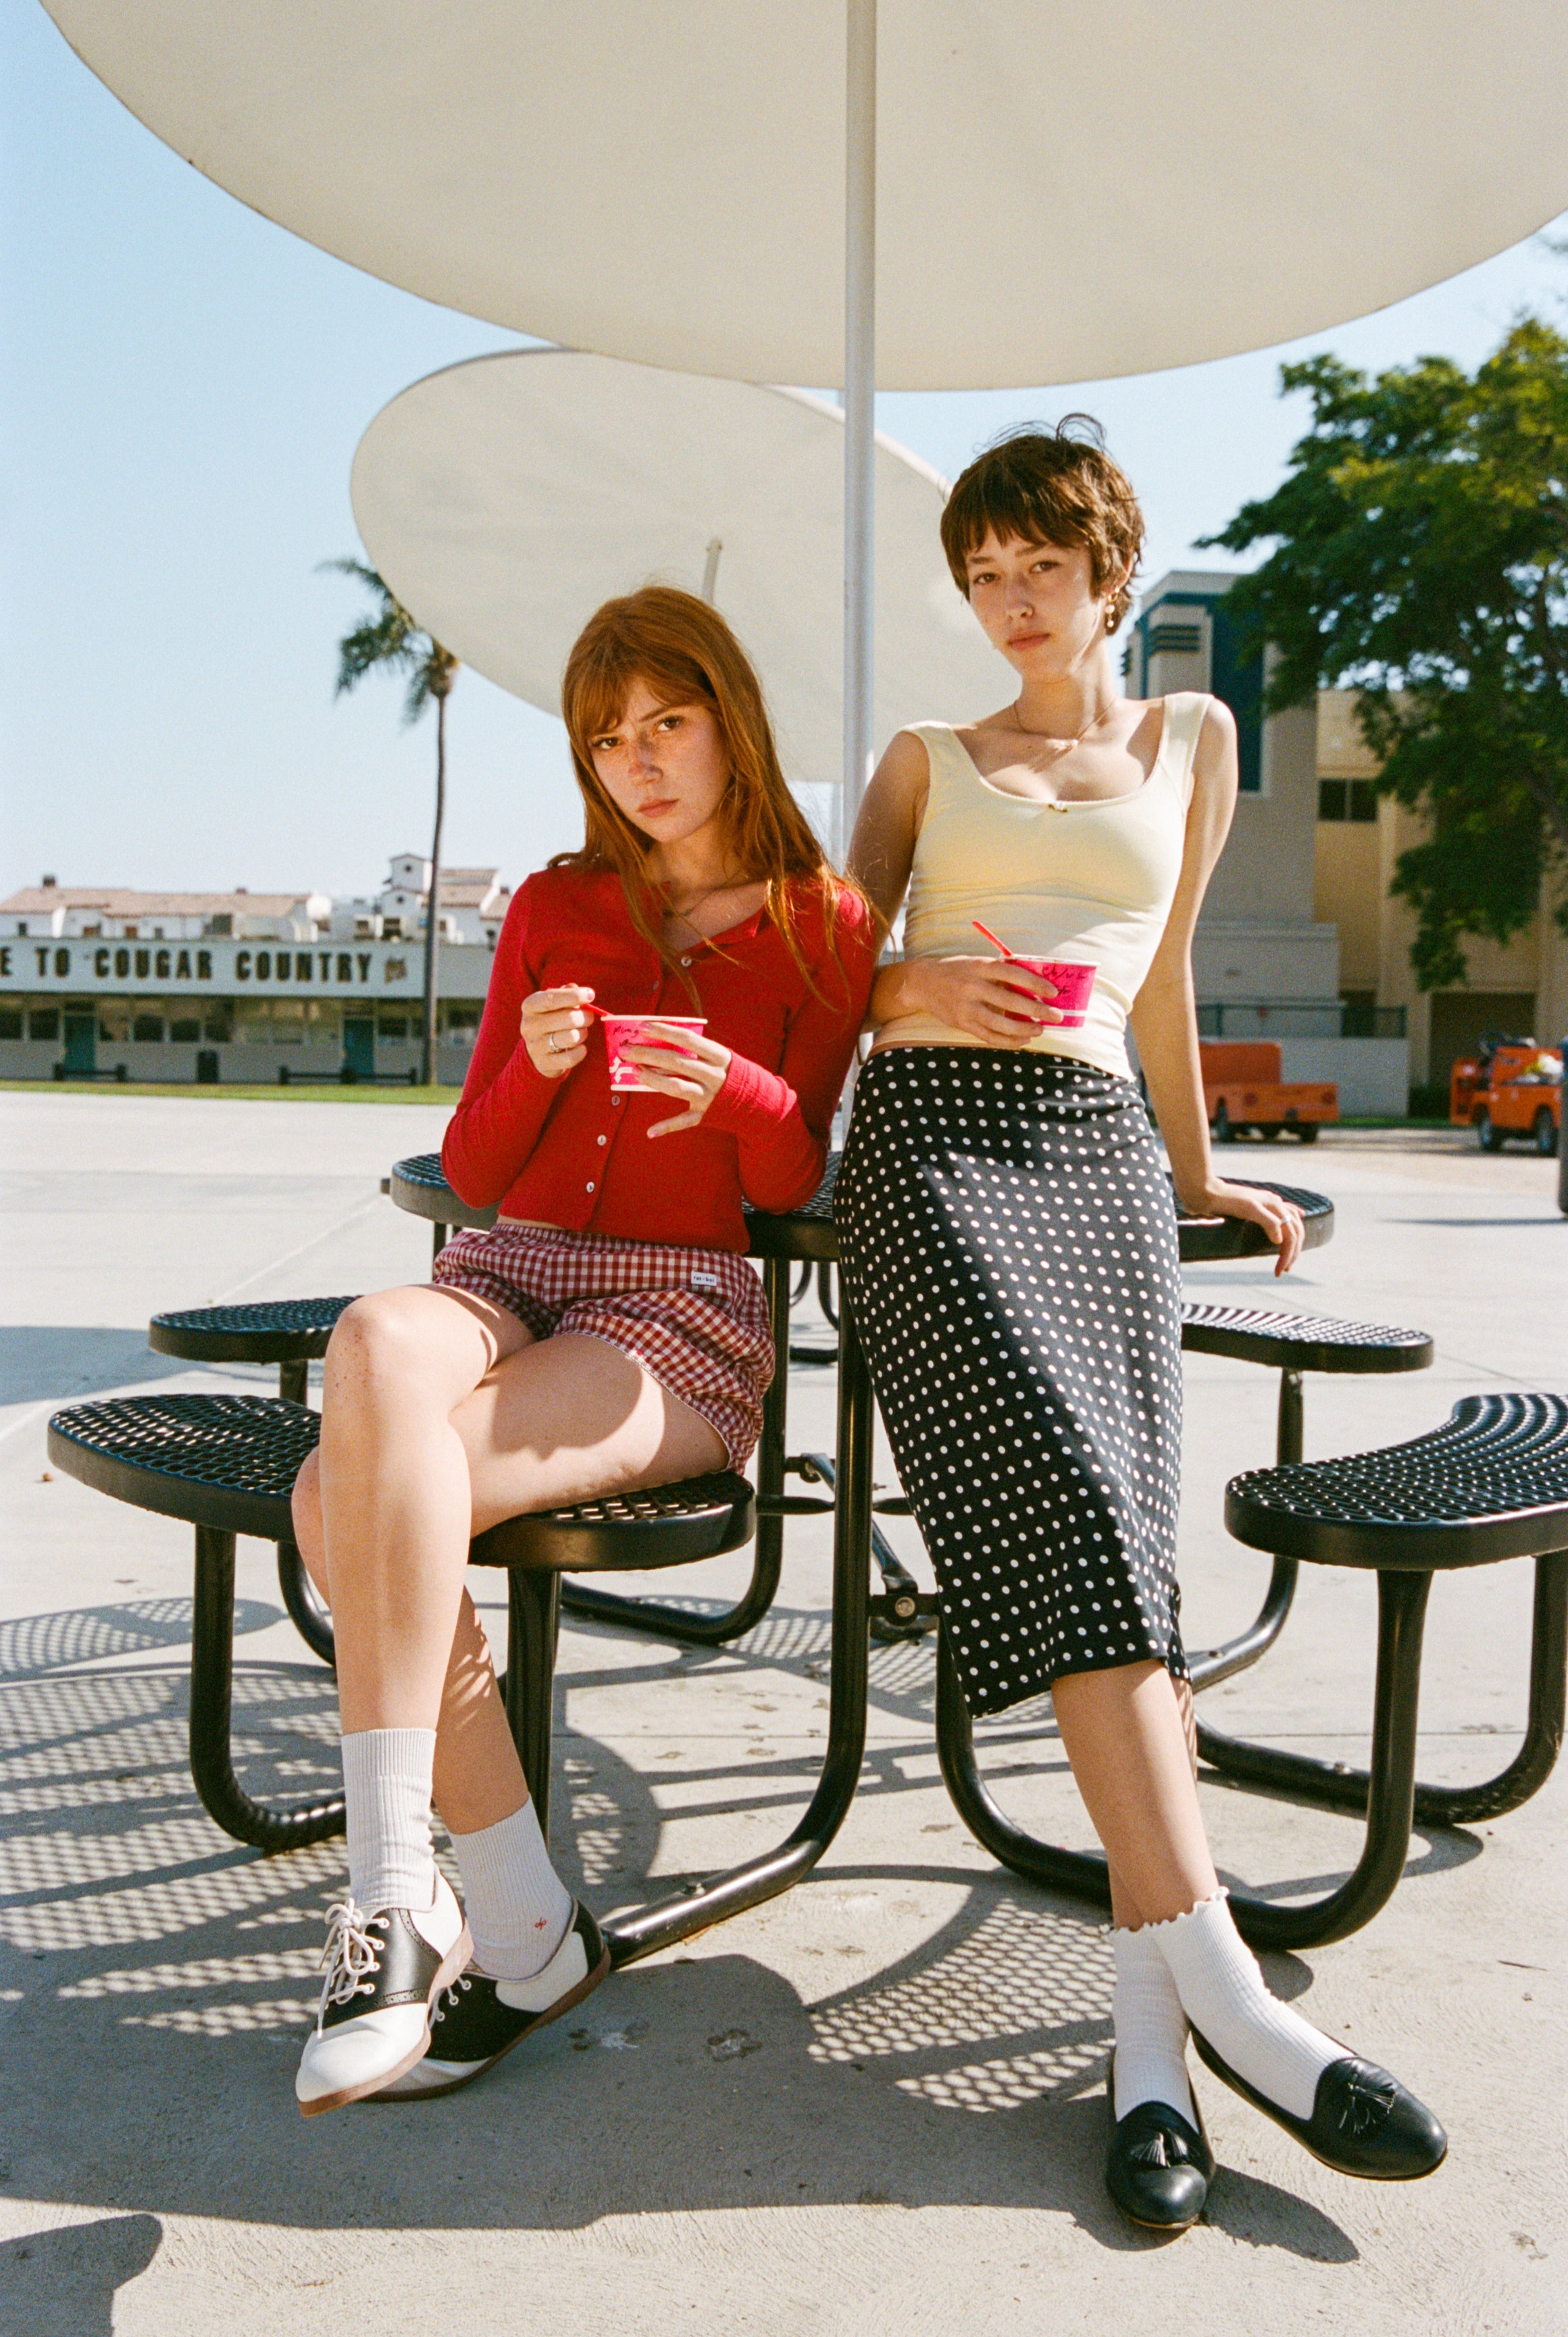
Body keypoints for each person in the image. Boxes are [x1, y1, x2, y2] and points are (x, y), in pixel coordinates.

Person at [837, 422, 1445, 2230]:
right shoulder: (922, 761)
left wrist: (1203, 1169)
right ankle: (1241, 1997)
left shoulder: (1193, 742)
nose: (1013, 605)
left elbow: (1160, 970)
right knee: (1071, 1501)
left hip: (1098, 1156)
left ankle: (1150, 2046)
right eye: (982, 576)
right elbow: (808, 977)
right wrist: (906, 979)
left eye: (1042, 567)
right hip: (935, 1147)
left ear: (1112, 567)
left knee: (1126, 1554)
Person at [289, 586, 876, 2116]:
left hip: (675, 1304)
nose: (638, 761)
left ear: (728, 720)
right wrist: (538, 1067)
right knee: (372, 1338)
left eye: (665, 724)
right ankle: (420, 1897)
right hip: (513, 1261)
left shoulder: (827, 924)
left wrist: (747, 1098)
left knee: (332, 1508)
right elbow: (473, 1171)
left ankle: (501, 1925)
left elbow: (797, 1178)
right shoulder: (556, 905)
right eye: (607, 738)